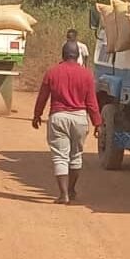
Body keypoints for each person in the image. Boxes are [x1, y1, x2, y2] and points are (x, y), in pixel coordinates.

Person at [32, 42, 104, 204]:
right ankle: (71, 190)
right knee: (76, 156)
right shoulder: (86, 75)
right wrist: (97, 123)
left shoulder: (52, 72)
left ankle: (63, 194)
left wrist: (37, 115)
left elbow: (42, 97)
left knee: (60, 157)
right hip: (80, 118)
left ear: (63, 55)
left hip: (58, 117)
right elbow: (92, 102)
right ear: (78, 56)